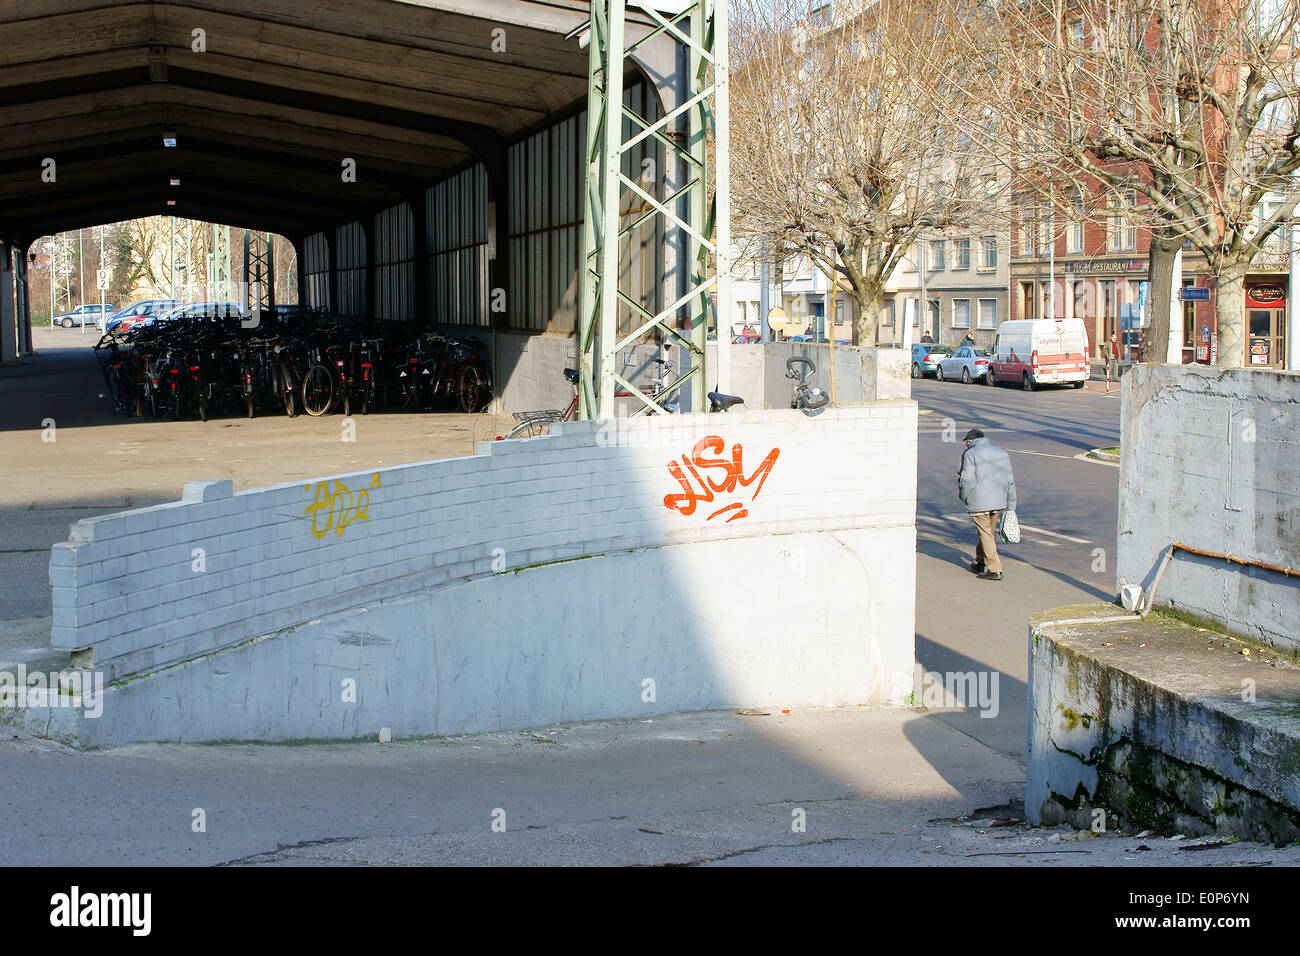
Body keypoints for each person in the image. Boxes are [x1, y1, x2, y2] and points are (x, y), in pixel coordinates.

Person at [958, 428, 1017, 581]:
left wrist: (963, 496)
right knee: (987, 534)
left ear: (970, 441)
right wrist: (1011, 505)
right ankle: (980, 563)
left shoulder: (970, 454)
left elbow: (967, 480)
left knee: (985, 534)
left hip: (978, 502)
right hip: (998, 501)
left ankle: (995, 569)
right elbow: (1010, 481)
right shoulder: (1002, 453)